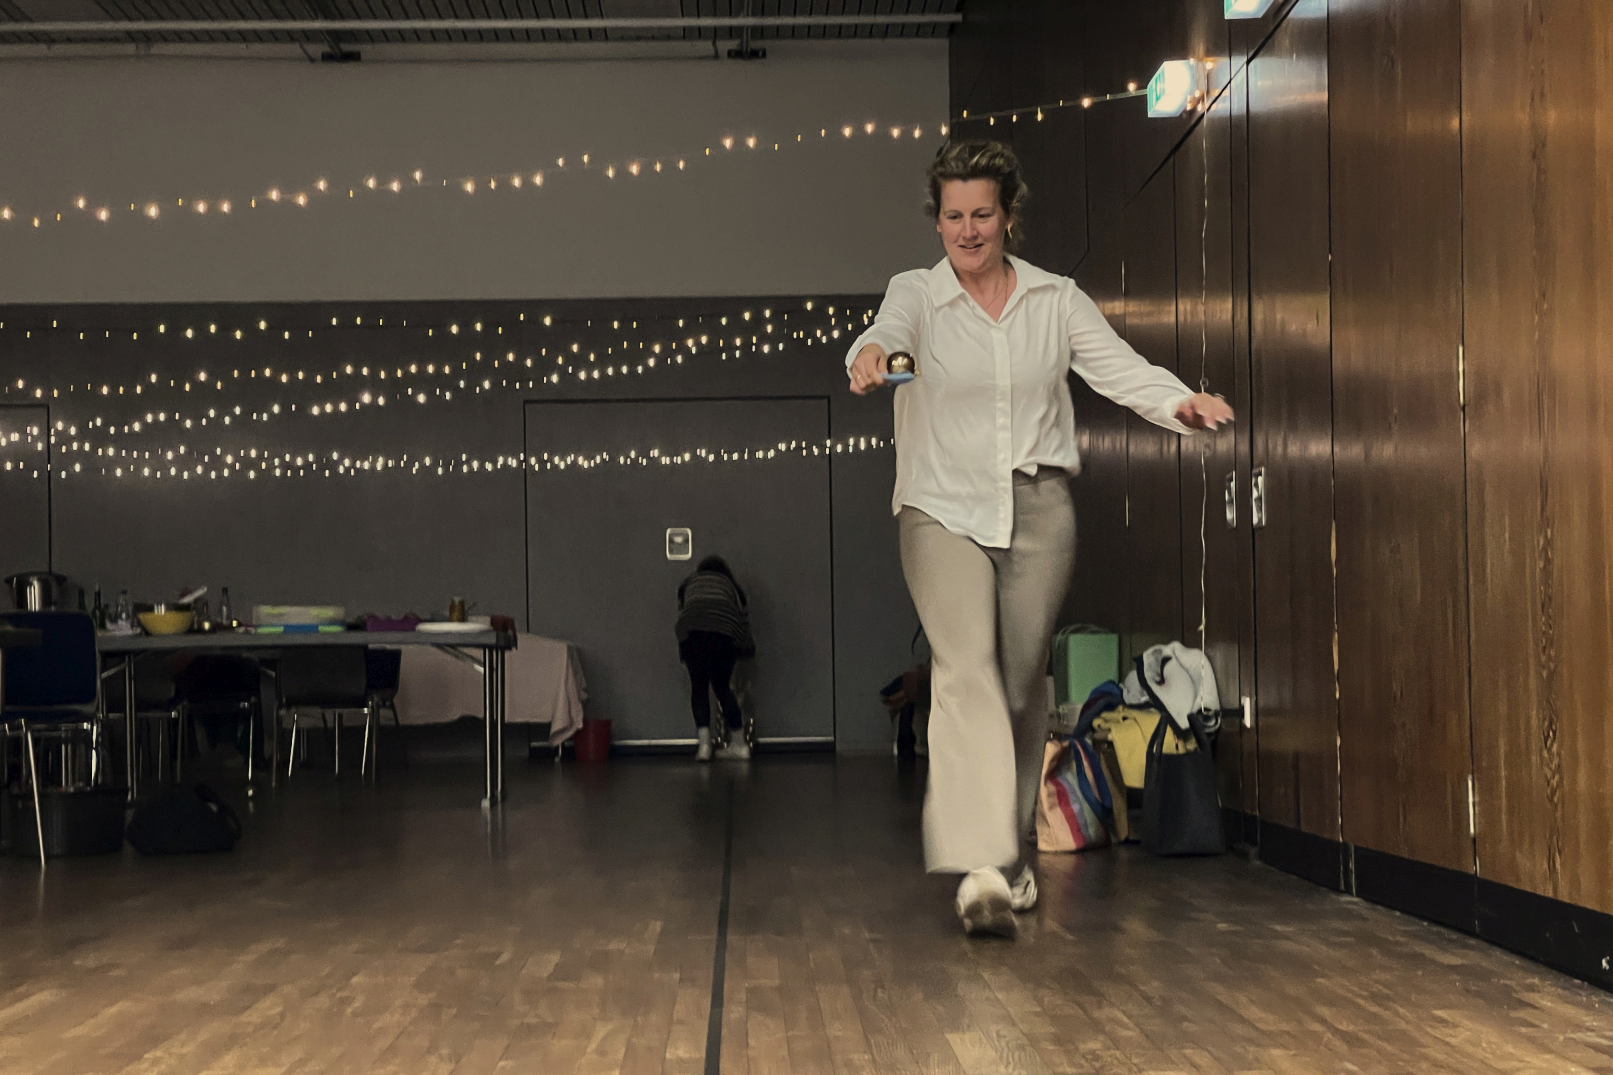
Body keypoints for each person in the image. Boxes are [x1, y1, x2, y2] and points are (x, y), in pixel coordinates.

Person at [845, 140, 1233, 938]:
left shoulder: (1055, 300)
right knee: (965, 667)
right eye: (953, 215)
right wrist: (870, 356)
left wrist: (1179, 404)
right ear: (937, 220)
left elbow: (1117, 368)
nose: (967, 230)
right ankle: (982, 868)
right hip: (940, 507)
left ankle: (1012, 853)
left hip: (1037, 509)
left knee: (1021, 686)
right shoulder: (917, 293)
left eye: (981, 214)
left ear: (1008, 216)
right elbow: (883, 331)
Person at [675, 555, 755, 761]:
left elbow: (683, 608)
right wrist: (746, 650)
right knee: (722, 689)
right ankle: (739, 745)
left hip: (692, 634)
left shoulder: (690, 581)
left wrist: (683, 647)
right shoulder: (732, 587)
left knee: (699, 688)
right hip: (723, 637)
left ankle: (704, 747)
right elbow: (742, 620)